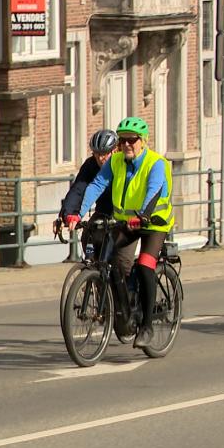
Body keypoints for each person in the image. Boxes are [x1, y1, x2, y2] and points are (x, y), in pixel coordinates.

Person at [65, 117, 173, 348]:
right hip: (126, 223)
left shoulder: (156, 163)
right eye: (122, 140)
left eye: (131, 140)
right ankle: (123, 309)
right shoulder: (115, 162)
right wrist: (78, 213)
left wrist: (143, 214)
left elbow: (154, 191)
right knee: (111, 258)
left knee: (145, 265)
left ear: (142, 141)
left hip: (153, 223)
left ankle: (146, 326)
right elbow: (96, 186)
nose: (126, 145)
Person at [55, 129, 119, 257]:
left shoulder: (123, 164)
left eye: (105, 154)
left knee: (117, 252)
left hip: (125, 212)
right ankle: (95, 272)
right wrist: (68, 214)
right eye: (96, 154)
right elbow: (78, 189)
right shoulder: (91, 165)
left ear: (115, 150)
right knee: (88, 235)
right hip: (104, 210)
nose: (100, 158)